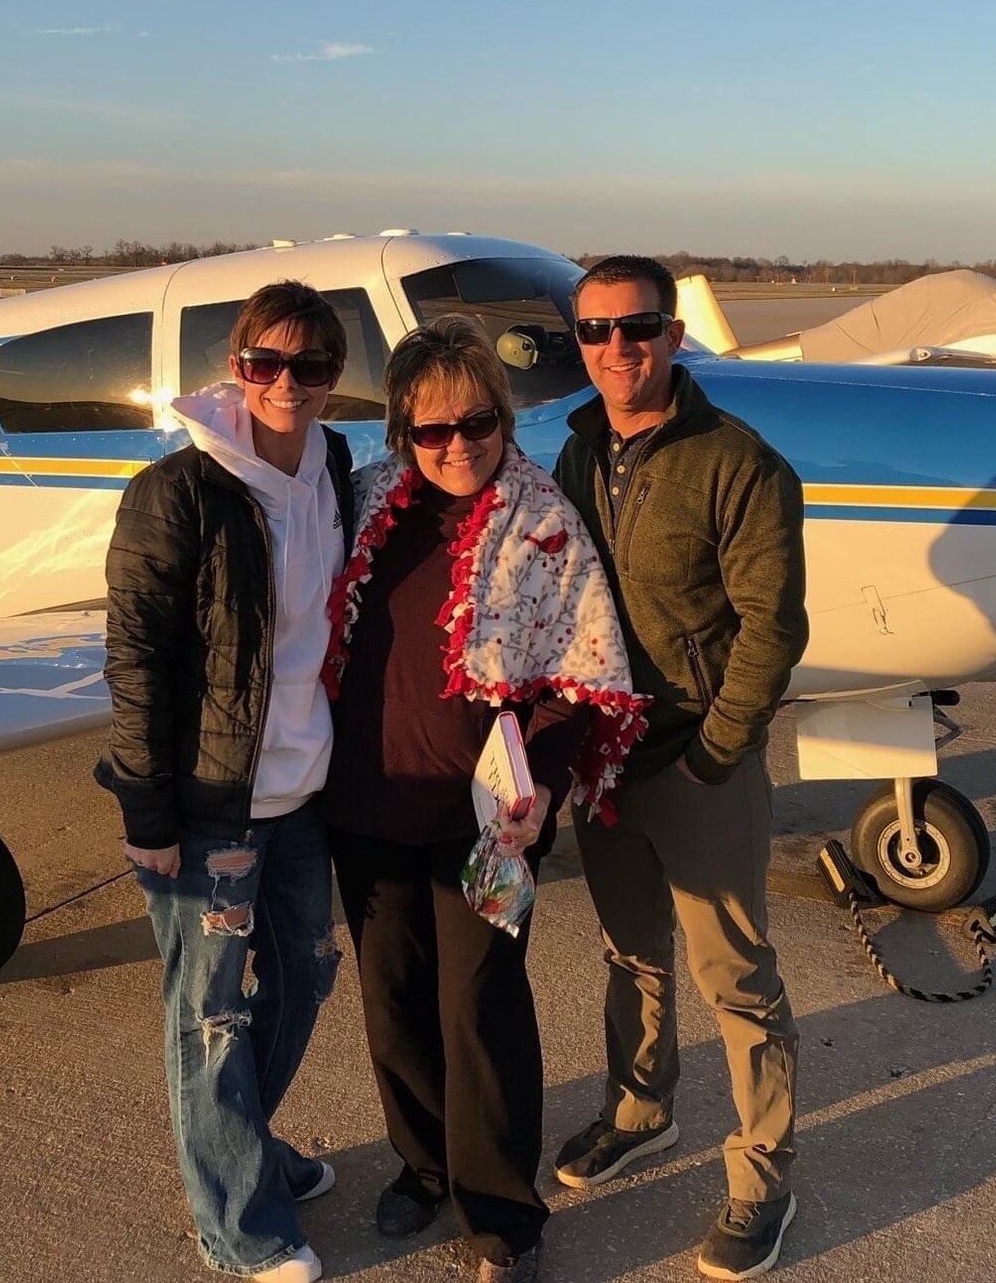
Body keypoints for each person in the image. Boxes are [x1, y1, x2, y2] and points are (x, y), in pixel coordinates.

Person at [321, 316, 646, 1283]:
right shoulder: (367, 503)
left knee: (480, 1006)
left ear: (503, 421)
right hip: (368, 805)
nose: (456, 446)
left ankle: (502, 1211)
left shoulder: (543, 520)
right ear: (400, 435)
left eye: (476, 425)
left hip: (490, 821)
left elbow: (582, 674)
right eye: (431, 431)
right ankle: (423, 1167)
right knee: (393, 1002)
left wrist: (541, 787)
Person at [551, 255, 811, 1280]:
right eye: (595, 330)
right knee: (630, 955)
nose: (617, 348)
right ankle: (640, 1108)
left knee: (736, 980)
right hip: (602, 761)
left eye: (638, 326)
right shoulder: (577, 454)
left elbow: (769, 628)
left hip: (698, 761)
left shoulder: (739, 463)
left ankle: (760, 1178)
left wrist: (716, 749)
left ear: (671, 334)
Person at [96, 281, 355, 1283]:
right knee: (209, 1013)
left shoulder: (333, 466)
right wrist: (148, 814)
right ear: (235, 365)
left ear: (333, 379)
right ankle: (235, 1225)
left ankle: (239, 1151)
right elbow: (137, 662)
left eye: (310, 366)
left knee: (306, 977)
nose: (286, 383)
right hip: (212, 805)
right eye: (265, 363)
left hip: (304, 789)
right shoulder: (179, 490)